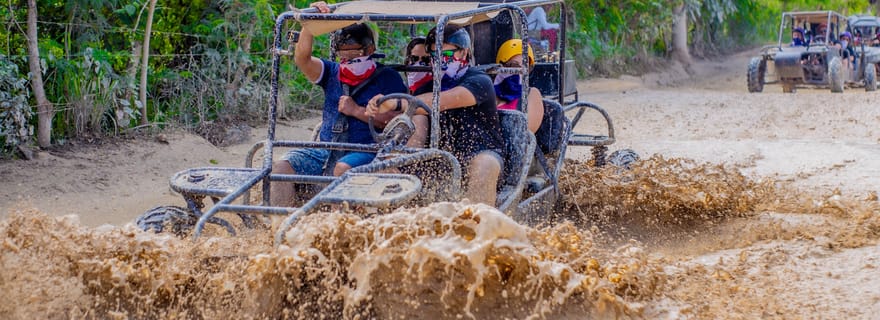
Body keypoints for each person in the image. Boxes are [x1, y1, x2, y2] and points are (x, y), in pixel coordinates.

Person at [271, 2, 407, 207]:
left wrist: (357, 111)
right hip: (326, 148)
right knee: (282, 166)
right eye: (343, 54)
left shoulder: (387, 78)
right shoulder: (332, 72)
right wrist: (310, 24)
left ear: (370, 49)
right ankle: (278, 222)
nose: (348, 58)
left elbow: (394, 122)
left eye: (354, 53)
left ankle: (337, 227)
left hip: (367, 149)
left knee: (342, 169)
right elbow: (302, 59)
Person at [367, 24, 504, 206]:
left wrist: (396, 102)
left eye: (445, 55)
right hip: (440, 158)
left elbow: (445, 100)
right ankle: (391, 223)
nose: (439, 61)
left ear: (463, 53)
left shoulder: (479, 81)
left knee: (484, 165)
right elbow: (418, 127)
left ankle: (476, 228)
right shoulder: (426, 88)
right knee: (387, 165)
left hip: (481, 153)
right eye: (434, 56)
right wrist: (401, 159)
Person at [494, 39, 544, 133]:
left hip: (519, 145)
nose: (520, 70)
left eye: (525, 66)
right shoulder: (489, 91)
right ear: (501, 66)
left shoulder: (531, 94)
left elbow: (526, 133)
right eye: (514, 65)